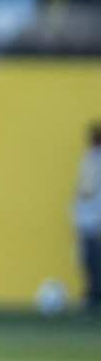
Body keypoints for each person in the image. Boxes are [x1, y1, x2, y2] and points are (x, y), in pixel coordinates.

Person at [77, 124, 101, 315]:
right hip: (89, 219)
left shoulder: (93, 160)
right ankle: (93, 294)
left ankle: (94, 296)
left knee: (92, 260)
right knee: (90, 259)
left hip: (91, 220)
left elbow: (86, 190)